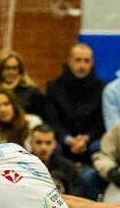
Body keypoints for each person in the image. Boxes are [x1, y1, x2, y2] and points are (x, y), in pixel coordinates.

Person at [44, 44, 106, 198]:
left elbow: (101, 122)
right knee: (51, 148)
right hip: (63, 143)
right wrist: (69, 140)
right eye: (78, 60)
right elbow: (52, 121)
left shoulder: (102, 87)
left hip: (90, 143)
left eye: (86, 61)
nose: (82, 65)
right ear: (69, 61)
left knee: (100, 148)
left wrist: (87, 138)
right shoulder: (53, 87)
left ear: (92, 63)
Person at [0, 49, 44, 118]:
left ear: (20, 70)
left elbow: (41, 117)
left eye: (14, 68)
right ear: (0, 70)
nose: (11, 72)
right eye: (7, 68)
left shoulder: (32, 91)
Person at [25, 124, 79, 196]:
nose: (43, 147)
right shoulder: (22, 166)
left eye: (48, 143)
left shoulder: (67, 167)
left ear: (54, 144)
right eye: (39, 142)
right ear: (31, 143)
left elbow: (75, 195)